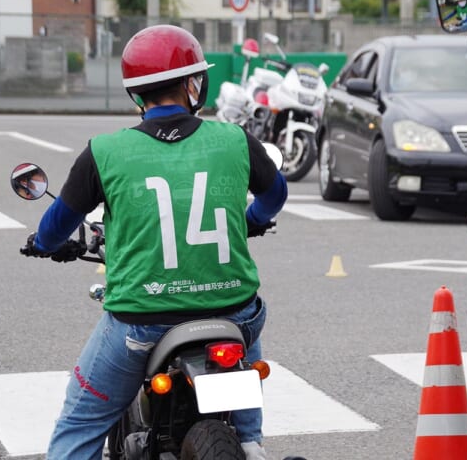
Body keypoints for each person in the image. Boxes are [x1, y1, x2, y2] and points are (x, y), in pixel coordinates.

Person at [20, 24, 288, 460]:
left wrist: (45, 244)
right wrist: (251, 220)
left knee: (79, 425)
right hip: (234, 312)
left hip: (143, 323)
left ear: (136, 93)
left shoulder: (104, 151)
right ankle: (250, 439)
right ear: (191, 83)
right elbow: (275, 195)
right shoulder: (234, 138)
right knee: (247, 323)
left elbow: (56, 225)